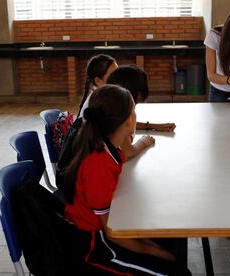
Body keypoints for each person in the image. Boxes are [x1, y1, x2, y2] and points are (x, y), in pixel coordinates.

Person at [64, 84, 177, 275]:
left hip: (102, 229)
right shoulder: (98, 166)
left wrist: (143, 142)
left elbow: (127, 153)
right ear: (129, 120)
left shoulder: (105, 146)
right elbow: (113, 232)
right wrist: (154, 250)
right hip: (95, 245)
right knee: (172, 271)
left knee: (169, 246)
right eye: (134, 111)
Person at [106, 65, 176, 158]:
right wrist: (143, 142)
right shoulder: (123, 115)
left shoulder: (108, 107)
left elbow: (127, 126)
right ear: (139, 94)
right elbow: (126, 153)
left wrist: (152, 126)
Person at [77, 54, 118, 118]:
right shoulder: (98, 104)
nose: (118, 78)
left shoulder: (106, 95)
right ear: (98, 81)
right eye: (113, 76)